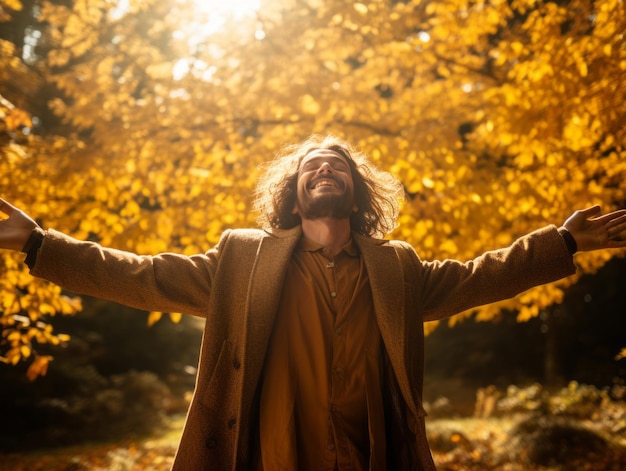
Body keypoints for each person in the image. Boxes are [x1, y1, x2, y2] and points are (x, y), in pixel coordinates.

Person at [1, 134, 626, 471]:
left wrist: (564, 240)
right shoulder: (243, 259)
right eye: (311, 168)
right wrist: (38, 244)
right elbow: (140, 276)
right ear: (294, 196)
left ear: (356, 195)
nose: (325, 170)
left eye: (338, 167)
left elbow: (481, 275)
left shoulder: (397, 267)